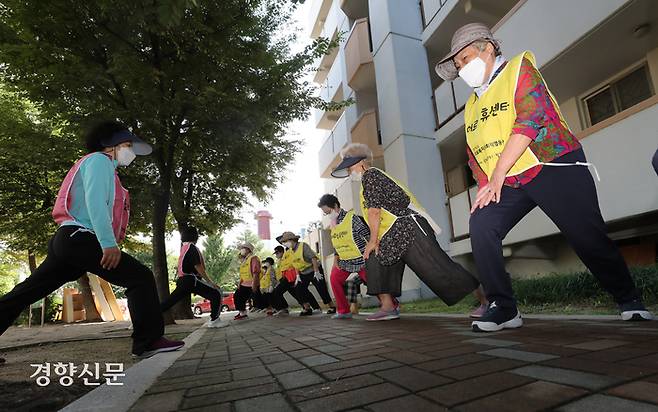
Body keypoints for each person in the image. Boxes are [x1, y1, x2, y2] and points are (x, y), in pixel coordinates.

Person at [434, 23, 654, 332]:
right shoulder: (472, 106)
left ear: (488, 48)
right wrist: (485, 185)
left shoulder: (518, 69)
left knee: (586, 235)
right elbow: (475, 153)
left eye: (466, 58)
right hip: (510, 180)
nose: (463, 68)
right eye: (458, 65)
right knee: (482, 224)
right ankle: (503, 307)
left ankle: (629, 300)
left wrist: (497, 176)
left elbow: (530, 119)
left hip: (553, 163)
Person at [0, 121, 184, 358]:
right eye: (127, 145)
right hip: (80, 237)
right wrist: (108, 243)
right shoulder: (99, 161)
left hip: (68, 240)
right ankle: (148, 342)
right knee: (140, 277)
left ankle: (148, 341)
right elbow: (94, 202)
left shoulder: (100, 166)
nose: (130, 152)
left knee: (25, 293)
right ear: (110, 145)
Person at [331, 143, 480, 321]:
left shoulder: (371, 175)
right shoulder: (366, 182)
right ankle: (388, 307)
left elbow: (374, 211)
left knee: (438, 268)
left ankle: (488, 300)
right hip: (389, 235)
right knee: (374, 260)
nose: (349, 171)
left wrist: (372, 240)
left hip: (407, 228)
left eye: (350, 166)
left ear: (362, 162)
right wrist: (375, 240)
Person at [318, 194, 371, 319]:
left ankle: (391, 305)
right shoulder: (333, 223)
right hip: (344, 261)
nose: (328, 215)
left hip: (361, 259)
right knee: (334, 279)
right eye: (325, 213)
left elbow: (367, 235)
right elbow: (337, 243)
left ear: (336, 206)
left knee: (373, 282)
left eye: (328, 211)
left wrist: (371, 253)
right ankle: (343, 311)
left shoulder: (352, 218)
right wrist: (336, 258)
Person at [160, 226, 226, 328]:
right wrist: (210, 282)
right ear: (195, 237)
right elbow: (198, 266)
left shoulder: (184, 248)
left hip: (182, 280)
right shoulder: (192, 248)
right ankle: (215, 320)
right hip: (190, 280)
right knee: (216, 293)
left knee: (169, 302)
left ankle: (144, 318)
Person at [279, 231, 337, 316]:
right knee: (299, 289)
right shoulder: (291, 251)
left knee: (321, 288)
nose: (284, 243)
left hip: (314, 268)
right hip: (303, 272)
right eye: (283, 242)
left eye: (285, 241)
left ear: (292, 240)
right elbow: (296, 264)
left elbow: (313, 258)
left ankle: (332, 307)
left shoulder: (303, 246)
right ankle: (307, 308)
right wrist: (298, 275)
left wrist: (316, 272)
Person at [271, 245, 304, 316]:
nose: (276, 255)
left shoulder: (287, 256)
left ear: (282, 252)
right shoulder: (280, 260)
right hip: (284, 278)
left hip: (288, 278)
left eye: (277, 253)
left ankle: (284, 308)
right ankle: (304, 306)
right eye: (276, 253)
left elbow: (291, 266)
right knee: (294, 293)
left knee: (277, 292)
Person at [233, 242, 260, 320]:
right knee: (237, 296)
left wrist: (254, 285)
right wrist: (239, 283)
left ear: (248, 249)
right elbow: (242, 274)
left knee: (255, 298)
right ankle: (242, 312)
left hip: (251, 283)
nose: (241, 250)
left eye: (243, 248)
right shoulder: (244, 261)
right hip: (244, 283)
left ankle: (243, 313)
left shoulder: (254, 258)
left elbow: (256, 272)